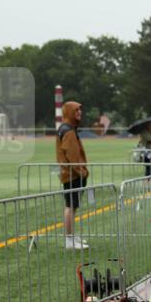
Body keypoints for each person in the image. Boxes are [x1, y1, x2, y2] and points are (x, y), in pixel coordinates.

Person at [56, 101, 90, 250]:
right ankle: (69, 239)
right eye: (76, 111)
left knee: (73, 206)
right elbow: (72, 156)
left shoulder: (69, 129)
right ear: (69, 112)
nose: (79, 113)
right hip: (72, 175)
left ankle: (71, 236)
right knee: (70, 206)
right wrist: (82, 171)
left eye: (80, 111)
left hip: (72, 174)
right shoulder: (68, 131)